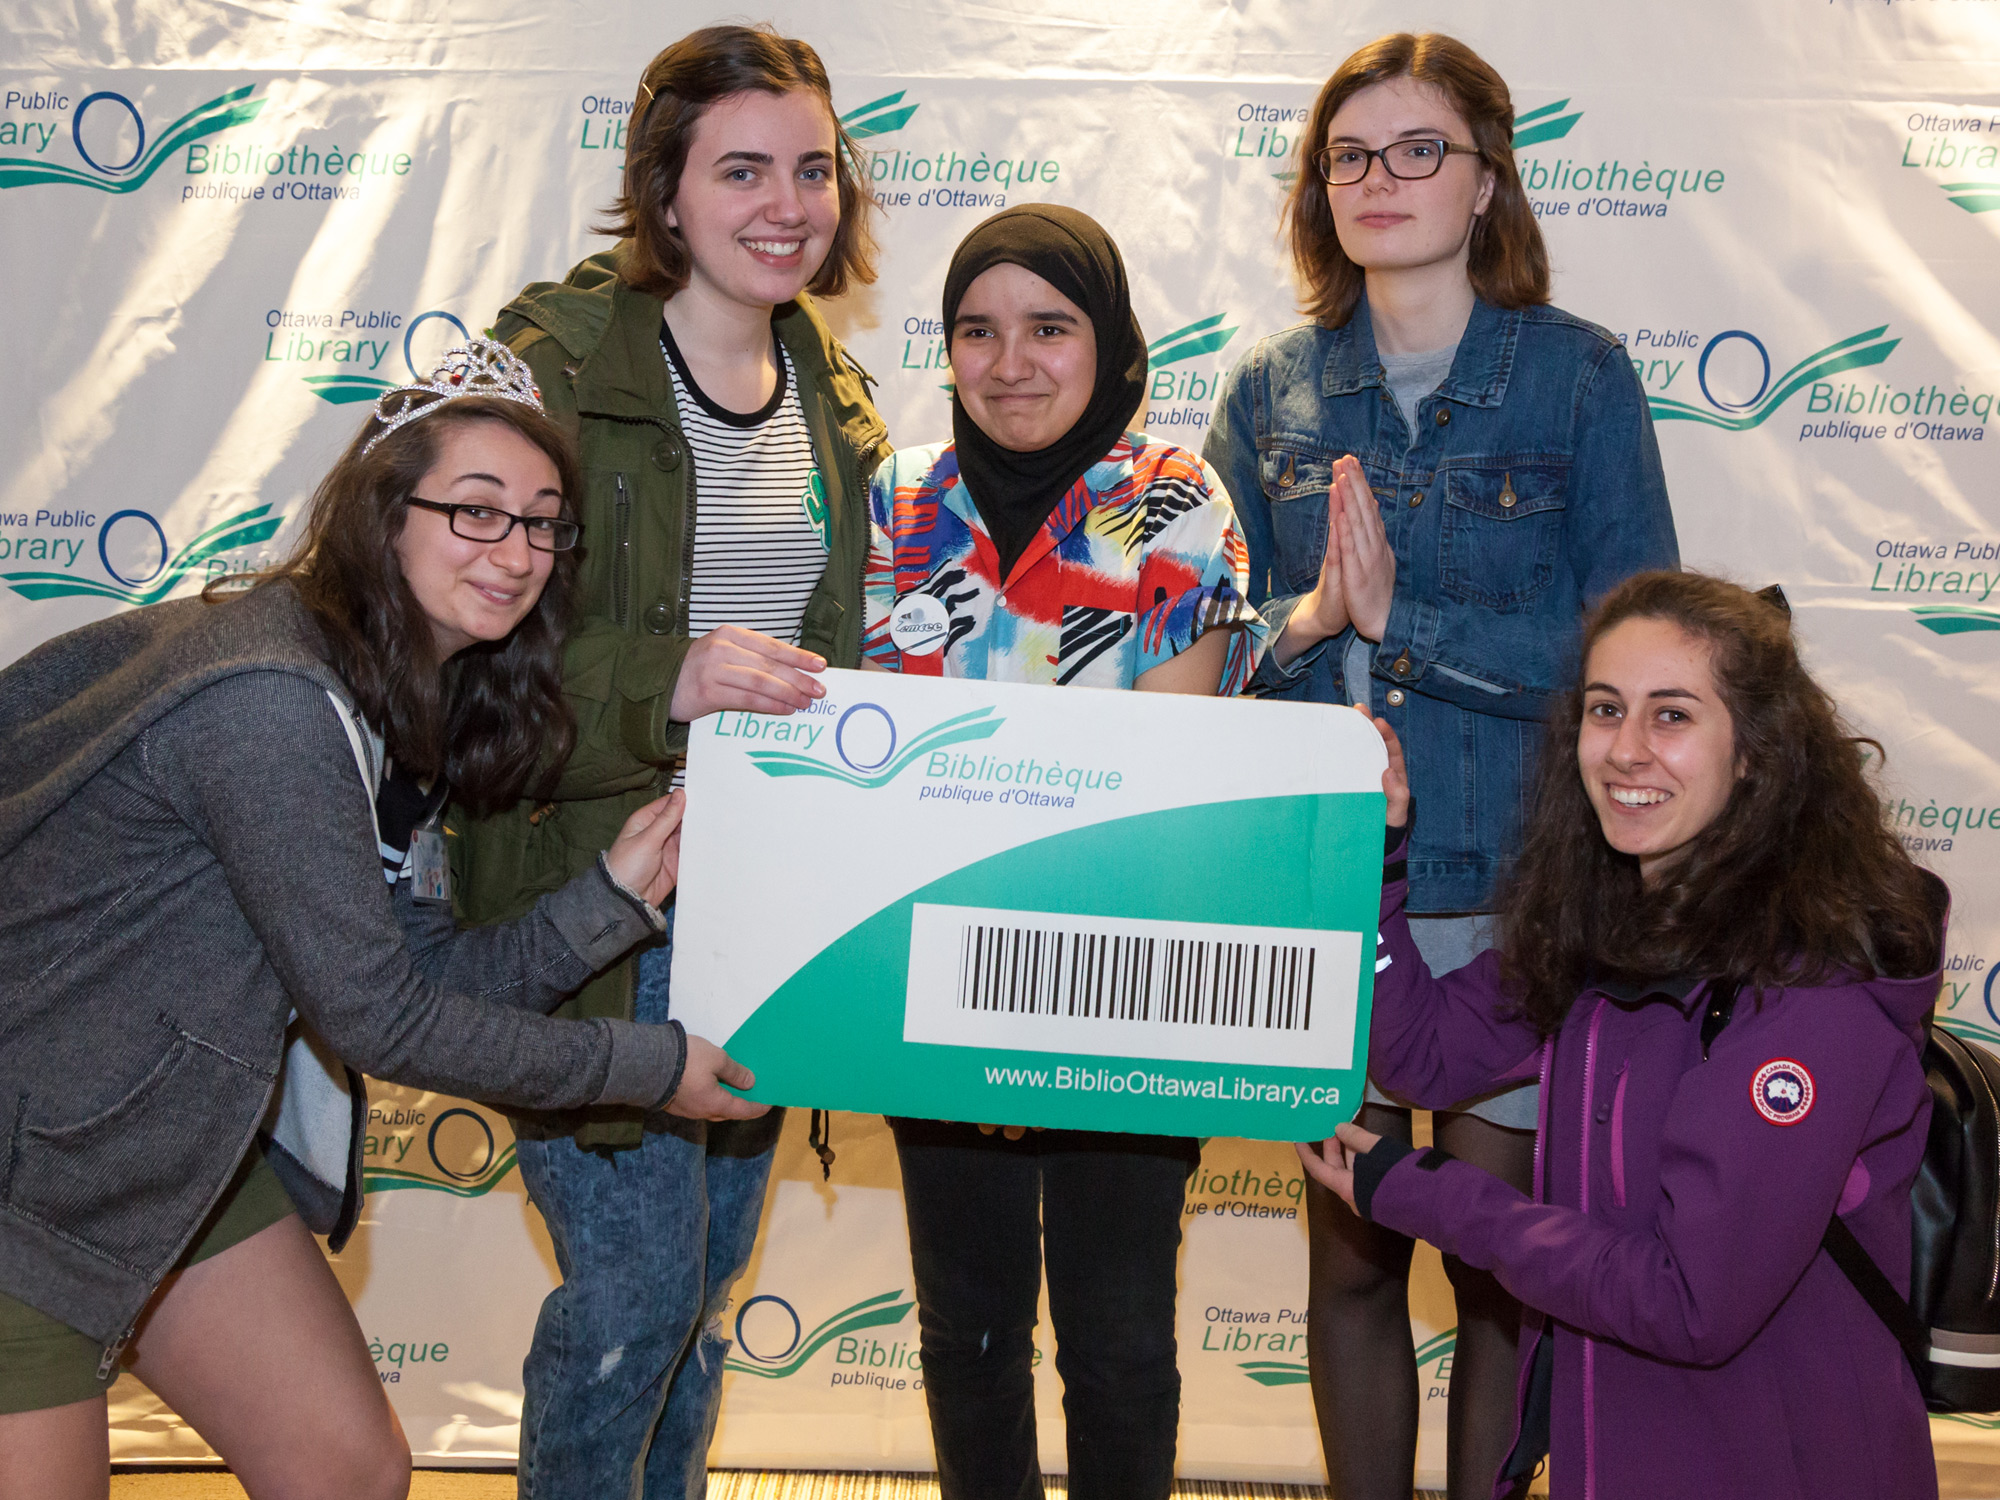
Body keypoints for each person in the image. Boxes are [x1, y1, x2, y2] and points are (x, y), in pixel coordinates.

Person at [0, 339, 764, 1500]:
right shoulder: (270, 703)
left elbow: (422, 971)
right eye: (475, 511)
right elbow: (379, 1020)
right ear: (382, 512)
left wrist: (606, 904)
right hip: (24, 1176)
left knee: (343, 1470)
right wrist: (648, 1068)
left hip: (159, 1150)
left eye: (543, 523)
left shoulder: (390, 703)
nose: (515, 552)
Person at [1202, 32, 1678, 1499]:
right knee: (1348, 1265)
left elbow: (1639, 666)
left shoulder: (1578, 380)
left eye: (1420, 150)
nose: (1380, 179)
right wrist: (1311, 621)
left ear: (1487, 182)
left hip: (1526, 904)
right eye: (1350, 154)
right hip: (1338, 895)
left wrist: (1407, 621)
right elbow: (1215, 666)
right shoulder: (1270, 395)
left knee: (1498, 1279)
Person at [446, 24, 889, 1500]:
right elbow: (446, 637)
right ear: (668, 189)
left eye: (813, 169)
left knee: (697, 1306)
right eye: (743, 169)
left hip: (762, 914)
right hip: (593, 909)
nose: (787, 204)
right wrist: (671, 681)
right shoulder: (554, 362)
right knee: (630, 1307)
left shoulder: (828, 379)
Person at [1300, 571, 1944, 1500]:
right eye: (1607, 710)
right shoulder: (1605, 932)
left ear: (1755, 751)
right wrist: (1377, 863)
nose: (1627, 751)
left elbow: (1689, 1304)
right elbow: (1426, 1057)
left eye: (1672, 716)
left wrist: (1425, 1194)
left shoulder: (1815, 989)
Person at [861, 203, 1263, 1500]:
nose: (1009, 360)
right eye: (976, 330)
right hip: (929, 985)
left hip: (1121, 996)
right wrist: (971, 1026)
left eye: (1049, 326)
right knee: (964, 1341)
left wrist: (1029, 1025)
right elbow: (864, 761)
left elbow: (1163, 781)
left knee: (1120, 1350)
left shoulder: (1173, 500)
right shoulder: (898, 498)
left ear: (1111, 343)